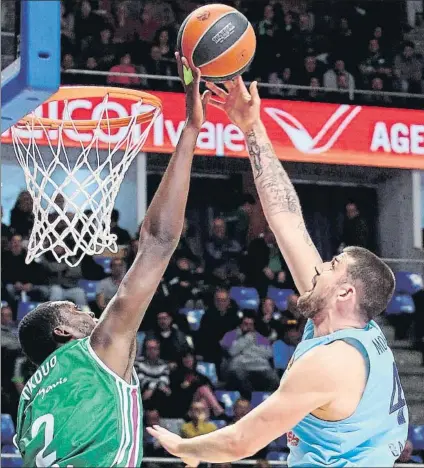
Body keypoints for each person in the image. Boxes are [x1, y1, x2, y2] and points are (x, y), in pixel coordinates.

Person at [147, 76, 408, 467]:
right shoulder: (345, 325)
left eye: (332, 266)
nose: (319, 267)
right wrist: (252, 128)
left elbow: (240, 443)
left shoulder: (333, 361)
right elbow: (286, 217)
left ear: (346, 293)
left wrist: (184, 447)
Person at [14, 53, 212, 467]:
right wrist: (191, 128)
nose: (88, 312)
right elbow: (158, 241)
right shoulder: (96, 350)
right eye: (74, 310)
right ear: (65, 333)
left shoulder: (28, 404)